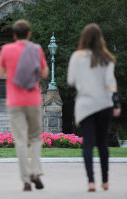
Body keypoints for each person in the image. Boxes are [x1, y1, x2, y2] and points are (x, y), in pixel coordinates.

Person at [67, 23, 121, 192]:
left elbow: (71, 81)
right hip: (104, 104)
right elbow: (111, 84)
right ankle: (105, 181)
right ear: (100, 39)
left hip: (85, 105)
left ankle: (91, 181)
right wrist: (117, 103)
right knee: (103, 143)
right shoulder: (106, 58)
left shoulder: (76, 57)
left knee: (88, 144)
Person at [0, 19, 49, 191]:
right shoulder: (36, 49)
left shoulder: (6, 49)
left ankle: (26, 181)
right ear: (29, 34)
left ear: (14, 35)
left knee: (20, 141)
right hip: (33, 100)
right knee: (35, 138)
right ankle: (35, 171)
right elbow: (44, 72)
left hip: (14, 102)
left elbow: (0, 72)